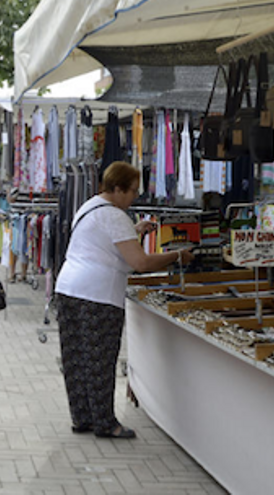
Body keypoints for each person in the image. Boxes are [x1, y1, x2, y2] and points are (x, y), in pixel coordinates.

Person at [55, 161, 194, 439]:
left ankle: (82, 417)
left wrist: (136, 231)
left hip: (68, 287)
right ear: (117, 189)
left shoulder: (90, 205)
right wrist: (177, 255)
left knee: (76, 359)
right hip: (97, 294)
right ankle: (105, 423)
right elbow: (140, 262)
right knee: (100, 360)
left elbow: (103, 242)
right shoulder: (116, 216)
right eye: (131, 191)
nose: (134, 197)